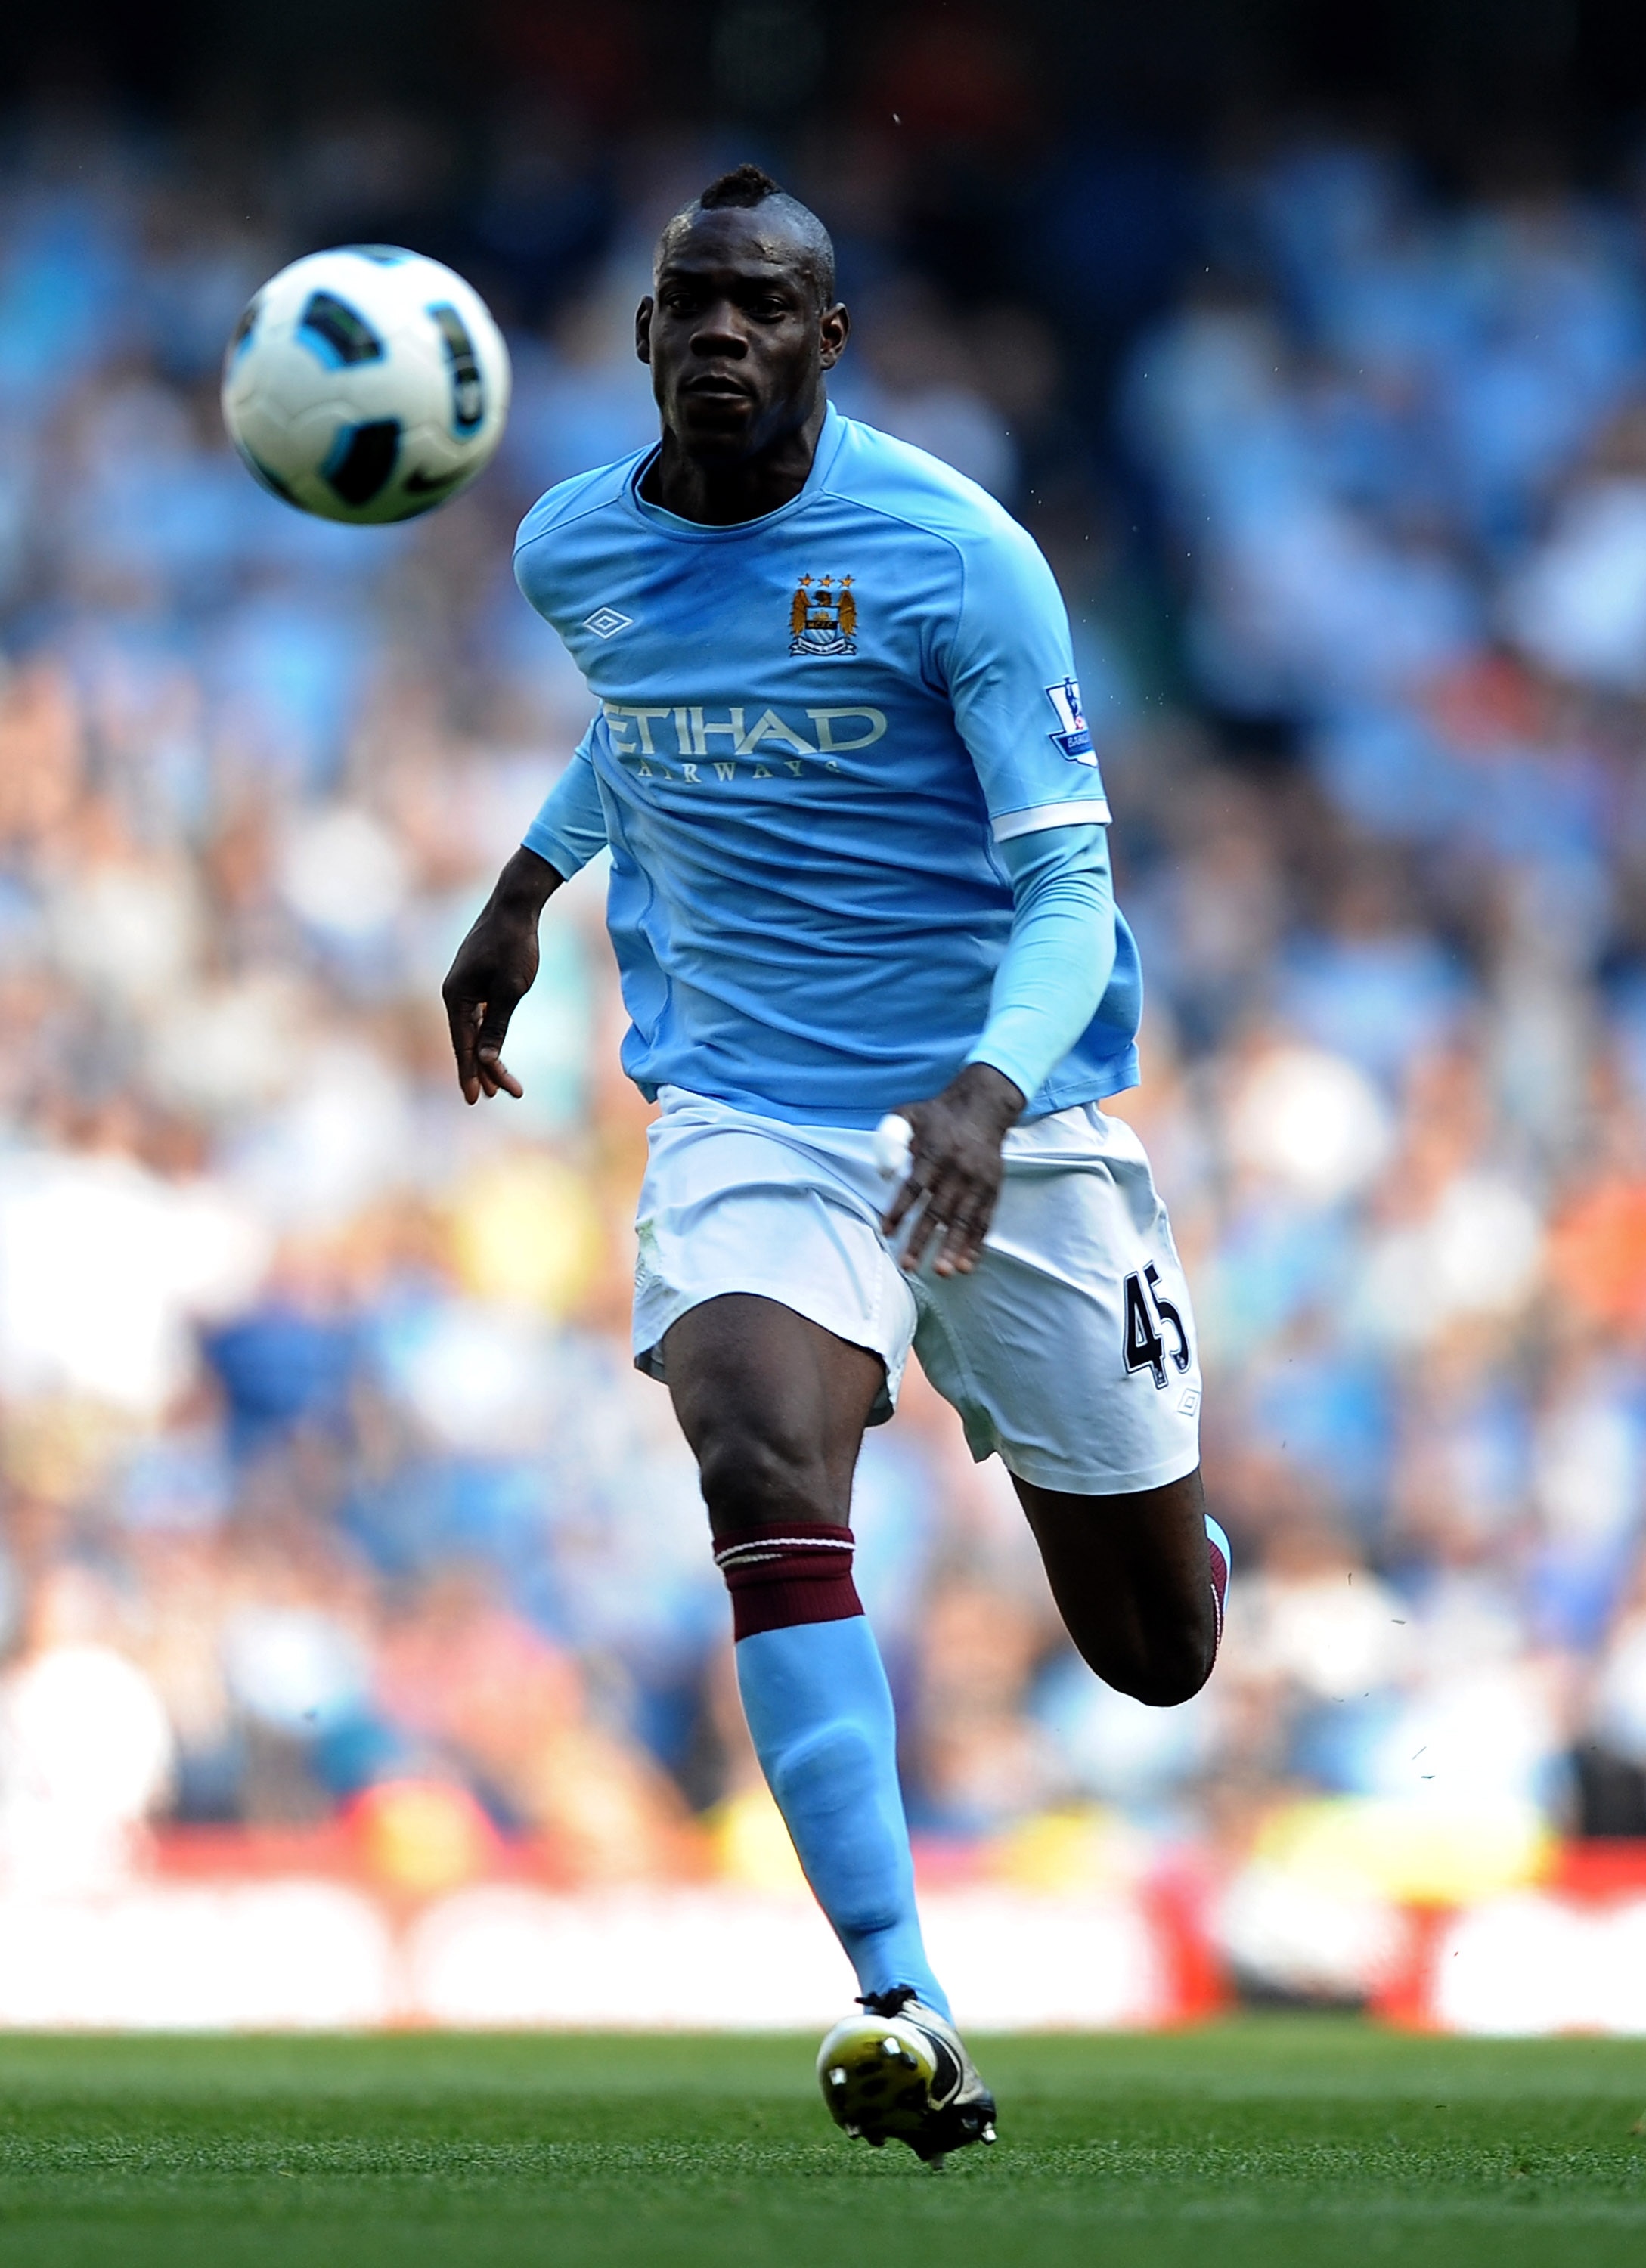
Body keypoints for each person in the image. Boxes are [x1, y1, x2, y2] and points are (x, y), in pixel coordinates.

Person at [444, 163, 1229, 2165]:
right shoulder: (572, 549)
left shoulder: (957, 557)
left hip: (1008, 1119)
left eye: (763, 308)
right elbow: (658, 712)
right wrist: (534, 880)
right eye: (688, 303)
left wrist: (979, 1086)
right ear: (640, 334)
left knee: (1155, 1658)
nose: (720, 333)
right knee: (753, 1447)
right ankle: (902, 1997)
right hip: (751, 1109)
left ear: (827, 341)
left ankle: (1166, 1529)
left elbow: (1068, 882)